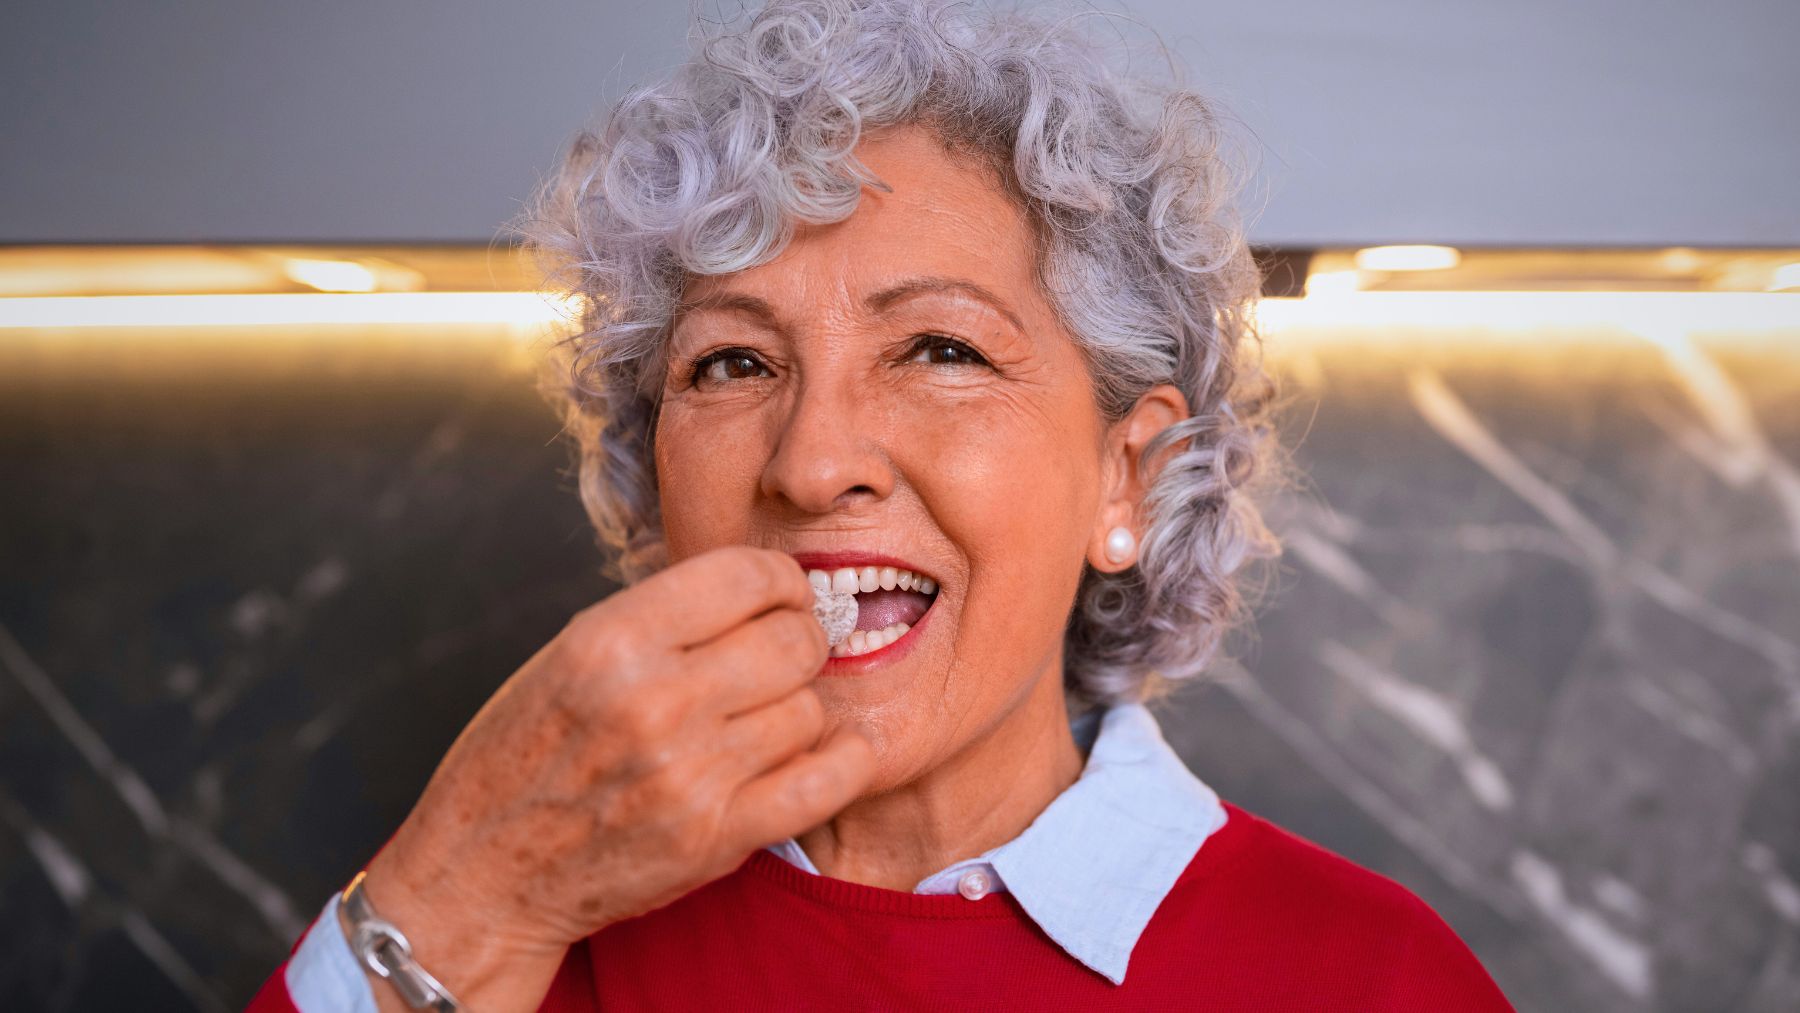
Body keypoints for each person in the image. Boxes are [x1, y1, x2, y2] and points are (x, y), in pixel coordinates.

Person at [249, 0, 1512, 1008]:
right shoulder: (490, 929)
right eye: (731, 363)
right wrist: (468, 883)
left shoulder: (1371, 979)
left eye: (940, 350)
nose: (811, 463)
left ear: (1124, 474)